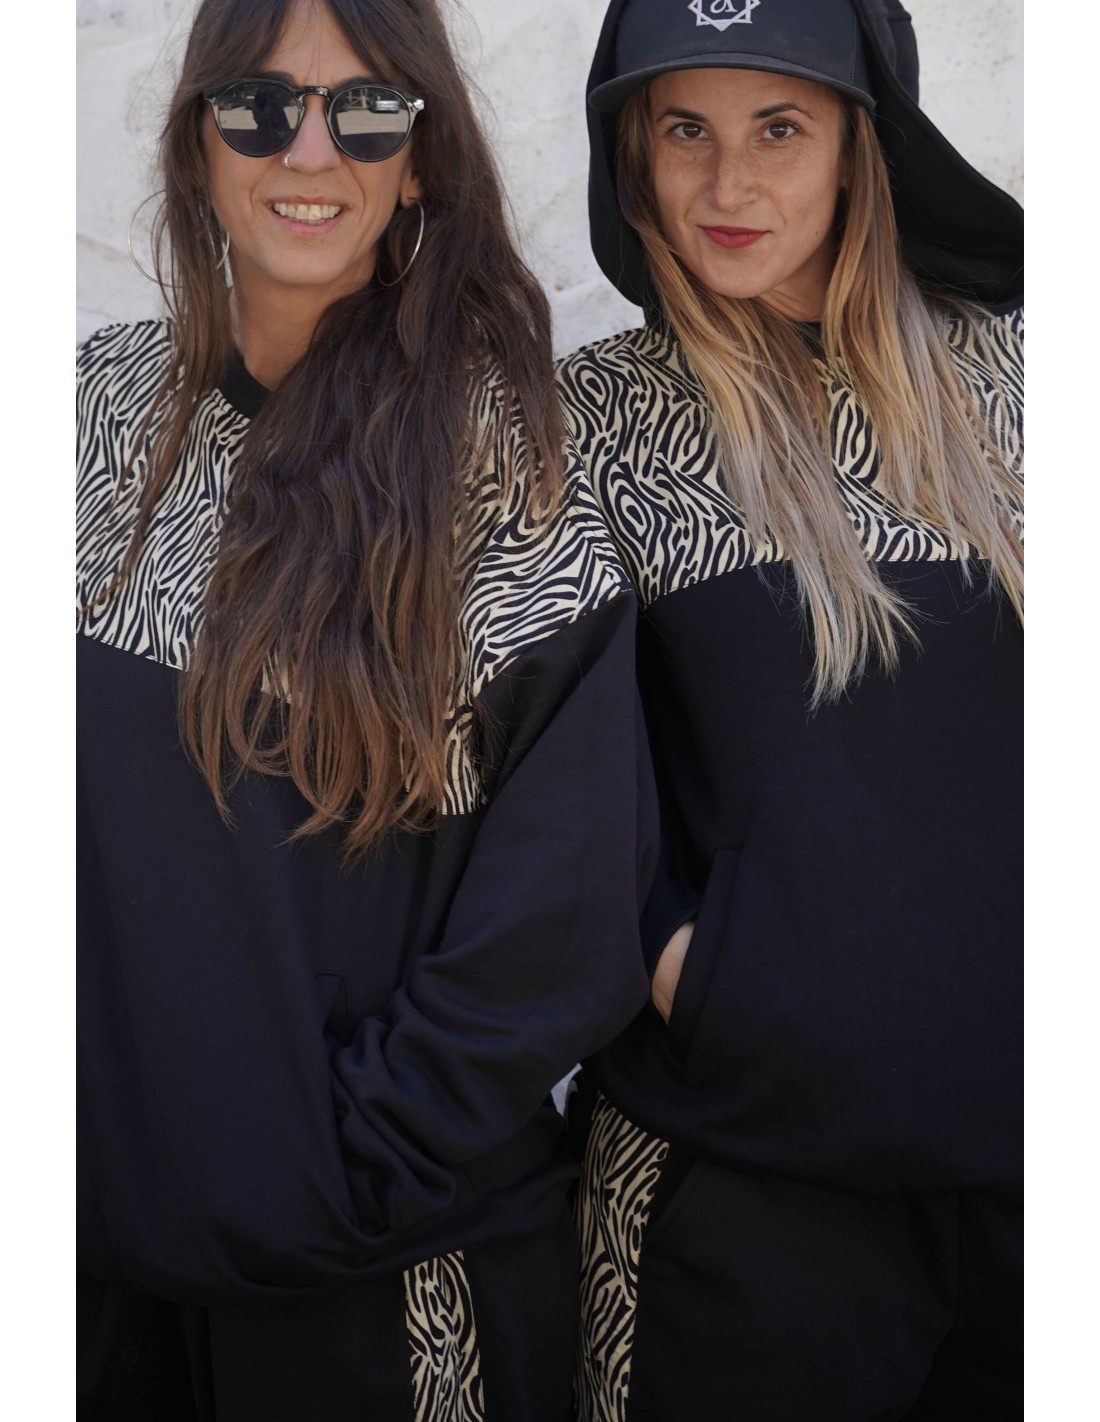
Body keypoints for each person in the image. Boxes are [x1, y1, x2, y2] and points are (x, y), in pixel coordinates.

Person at [76, 1, 658, 1418]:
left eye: (367, 110)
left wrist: (335, 1174)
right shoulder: (86, 419)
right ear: (197, 142)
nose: (308, 150)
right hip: (106, 1275)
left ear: (421, 157)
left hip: (388, 1288)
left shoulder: (502, 463)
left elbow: (568, 904)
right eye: (259, 106)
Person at [556, 1, 1023, 1418]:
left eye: (778, 129)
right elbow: (525, 778)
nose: (727, 183)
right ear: (632, 151)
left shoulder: (1013, 383)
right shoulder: (588, 424)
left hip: (1024, 1177)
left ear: (862, 145)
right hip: (737, 1186)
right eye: (683, 129)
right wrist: (695, 973)